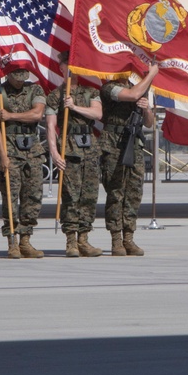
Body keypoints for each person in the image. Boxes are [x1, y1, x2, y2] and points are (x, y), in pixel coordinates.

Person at [46, 53, 103, 258]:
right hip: (68, 148)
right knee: (70, 195)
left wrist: (74, 106)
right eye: (66, 64)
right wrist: (53, 152)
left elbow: (97, 114)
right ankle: (71, 240)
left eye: (74, 64)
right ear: (60, 67)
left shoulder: (91, 92)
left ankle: (84, 239)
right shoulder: (54, 96)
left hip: (89, 148)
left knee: (89, 195)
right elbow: (51, 126)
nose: (70, 68)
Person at [99, 62, 159, 256]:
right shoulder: (109, 88)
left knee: (133, 193)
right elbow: (132, 95)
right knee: (116, 192)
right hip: (114, 144)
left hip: (134, 143)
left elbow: (150, 123)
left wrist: (146, 109)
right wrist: (151, 75)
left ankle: (129, 238)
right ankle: (116, 240)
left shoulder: (139, 89)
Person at [0, 68, 46, 259]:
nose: (20, 82)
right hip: (10, 150)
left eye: (23, 79)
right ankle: (12, 241)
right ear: (8, 75)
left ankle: (26, 240)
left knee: (33, 196)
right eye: (16, 78)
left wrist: (11, 116)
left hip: (33, 151)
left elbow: (37, 115)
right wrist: (3, 156)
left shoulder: (35, 90)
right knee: (10, 198)